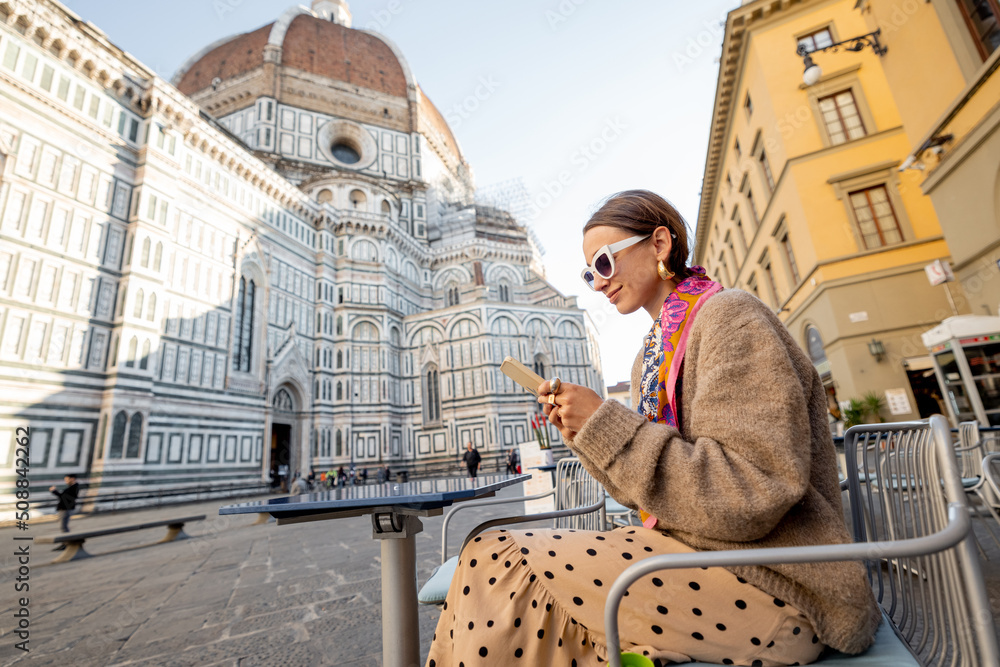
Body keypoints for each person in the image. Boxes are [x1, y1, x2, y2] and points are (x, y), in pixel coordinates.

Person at [426, 190, 879, 666]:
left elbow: (753, 492)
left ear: (659, 244)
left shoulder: (731, 319)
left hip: (780, 587)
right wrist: (585, 433)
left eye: (604, 263)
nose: (597, 284)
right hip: (692, 557)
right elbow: (644, 496)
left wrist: (605, 426)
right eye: (588, 274)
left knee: (499, 560)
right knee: (492, 560)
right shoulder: (652, 355)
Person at [49, 474, 80, 541]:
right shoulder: (72, 487)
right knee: (63, 526)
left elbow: (63, 497)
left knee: (64, 526)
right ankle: (66, 542)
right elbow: (63, 496)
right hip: (65, 508)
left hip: (66, 509)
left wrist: (54, 491)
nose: (66, 481)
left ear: (72, 479)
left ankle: (67, 542)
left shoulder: (73, 488)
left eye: (67, 479)